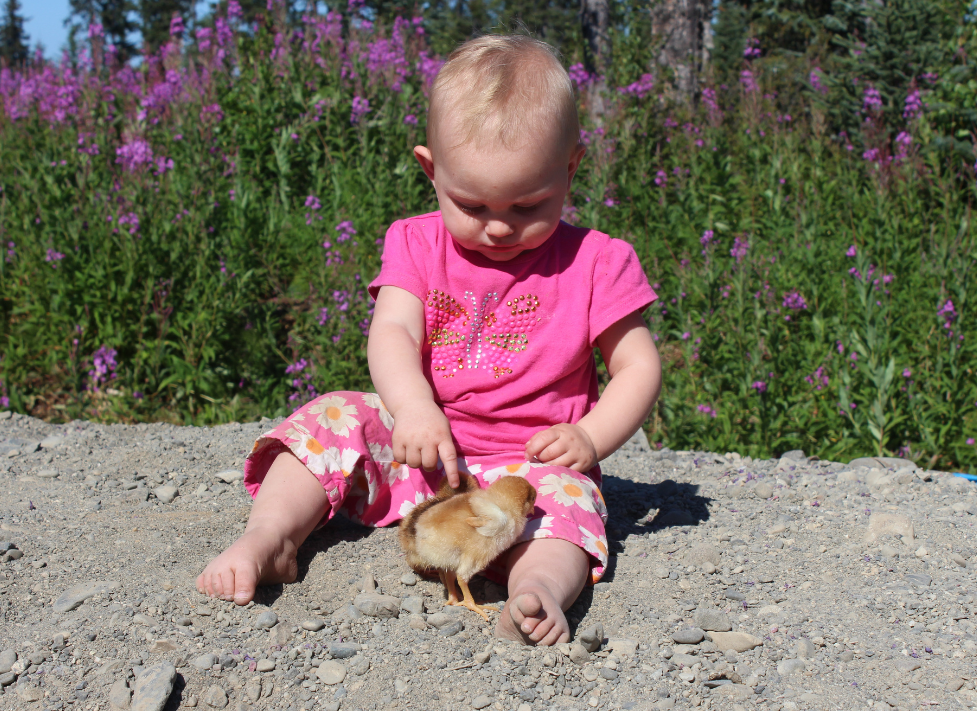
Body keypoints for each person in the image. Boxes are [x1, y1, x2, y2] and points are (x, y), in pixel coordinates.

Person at [196, 34, 662, 646]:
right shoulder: (415, 243)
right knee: (332, 418)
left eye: (528, 205)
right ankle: (271, 536)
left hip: (530, 470)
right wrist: (413, 409)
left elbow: (638, 366)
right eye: (470, 203)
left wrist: (590, 437)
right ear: (430, 170)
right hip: (426, 452)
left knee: (567, 509)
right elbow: (392, 329)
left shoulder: (597, 261)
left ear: (570, 167)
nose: (498, 225)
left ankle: (540, 589)